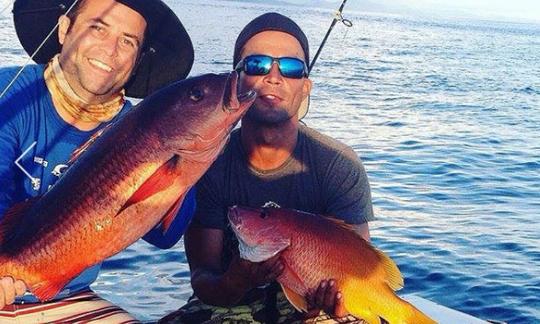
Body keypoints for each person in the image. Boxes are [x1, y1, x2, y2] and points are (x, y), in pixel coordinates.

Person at [161, 12, 375, 323]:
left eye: (290, 68)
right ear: (235, 82)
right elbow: (204, 280)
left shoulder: (339, 165)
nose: (273, 77)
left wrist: (335, 302)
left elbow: (361, 270)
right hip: (226, 306)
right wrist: (237, 280)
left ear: (305, 87)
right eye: (257, 65)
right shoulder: (207, 163)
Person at [0, 0, 195, 322]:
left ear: (138, 59)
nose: (110, 50)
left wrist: (189, 160)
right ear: (65, 29)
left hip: (69, 296)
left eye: (127, 41)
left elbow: (164, 236)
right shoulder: (9, 95)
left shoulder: (144, 128)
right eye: (98, 28)